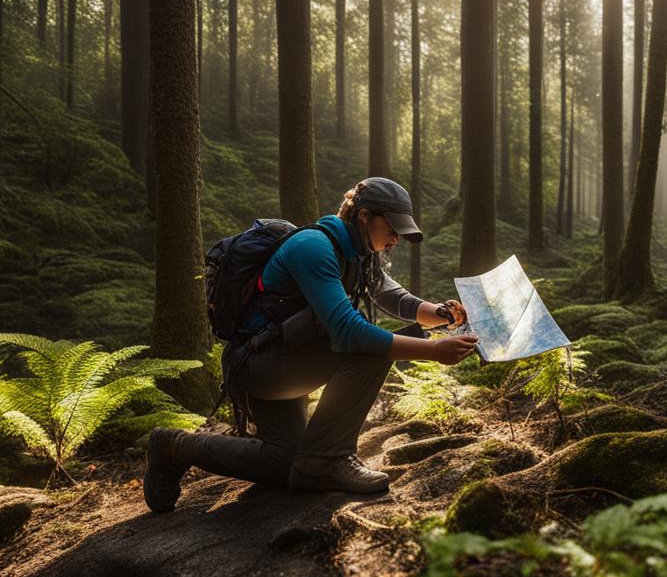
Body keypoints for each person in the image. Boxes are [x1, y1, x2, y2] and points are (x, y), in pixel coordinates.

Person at [143, 178, 479, 512]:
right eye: (392, 228)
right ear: (364, 216)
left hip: (284, 361)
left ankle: (174, 448)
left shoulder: (361, 253)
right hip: (258, 366)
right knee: (369, 346)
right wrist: (434, 352)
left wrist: (440, 314)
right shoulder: (314, 248)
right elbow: (349, 332)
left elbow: (392, 296)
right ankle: (328, 457)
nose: (395, 239)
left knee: (283, 462)